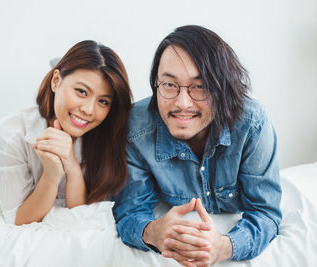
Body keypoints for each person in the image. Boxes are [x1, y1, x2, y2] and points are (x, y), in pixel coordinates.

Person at [113, 25, 282, 266]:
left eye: (200, 86)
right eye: (169, 85)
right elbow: (130, 211)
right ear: (156, 84)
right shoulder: (136, 128)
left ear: (222, 88)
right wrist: (153, 233)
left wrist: (223, 247)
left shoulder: (252, 123)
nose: (182, 103)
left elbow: (266, 212)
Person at [0, 40, 132, 225]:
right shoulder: (9, 135)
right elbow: (18, 220)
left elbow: (80, 216)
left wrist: (71, 166)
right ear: (56, 81)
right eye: (81, 92)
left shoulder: (107, 135)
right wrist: (52, 175)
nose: (88, 110)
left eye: (103, 101)